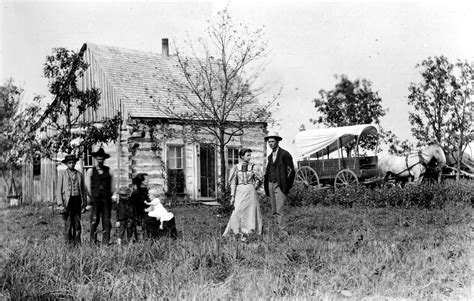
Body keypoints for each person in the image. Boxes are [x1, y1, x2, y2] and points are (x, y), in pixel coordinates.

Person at [223, 148, 263, 241]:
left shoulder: (253, 167)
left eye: (250, 155)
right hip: (240, 191)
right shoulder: (236, 167)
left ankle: (251, 232)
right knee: (237, 211)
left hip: (250, 192)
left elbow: (260, 179)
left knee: (251, 211)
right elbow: (233, 183)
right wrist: (232, 196)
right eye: (247, 155)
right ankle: (236, 232)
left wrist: (254, 187)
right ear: (241, 156)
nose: (249, 157)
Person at [263, 131, 295, 236]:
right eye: (269, 142)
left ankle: (283, 232)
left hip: (280, 185)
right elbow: (268, 171)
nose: (270, 144)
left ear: (277, 142)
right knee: (274, 209)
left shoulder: (285, 154)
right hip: (270, 184)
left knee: (280, 209)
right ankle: (277, 230)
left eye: (272, 141)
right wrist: (266, 185)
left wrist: (287, 186)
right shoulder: (270, 156)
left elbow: (291, 172)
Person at [85, 148, 115, 245]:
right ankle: (93, 241)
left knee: (106, 220)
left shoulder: (109, 170)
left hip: (106, 199)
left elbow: (113, 186)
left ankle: (105, 242)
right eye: (98, 158)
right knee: (94, 219)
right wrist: (92, 196)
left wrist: (108, 195)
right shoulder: (90, 171)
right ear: (96, 159)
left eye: (102, 158)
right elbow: (88, 186)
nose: (100, 160)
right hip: (95, 198)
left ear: (104, 159)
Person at [56, 154, 87, 246]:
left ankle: (77, 244)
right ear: (66, 164)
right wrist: (61, 204)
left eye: (73, 163)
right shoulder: (62, 174)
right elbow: (58, 190)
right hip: (67, 202)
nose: (71, 164)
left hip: (77, 201)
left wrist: (84, 204)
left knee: (77, 225)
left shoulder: (79, 174)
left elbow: (83, 190)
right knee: (68, 224)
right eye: (69, 163)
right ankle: (68, 244)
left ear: (75, 163)